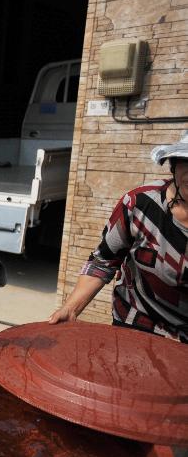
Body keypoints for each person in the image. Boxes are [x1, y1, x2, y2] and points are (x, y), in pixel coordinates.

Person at [49, 132, 188, 342]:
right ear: (174, 165)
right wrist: (71, 308)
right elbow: (103, 261)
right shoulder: (140, 204)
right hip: (136, 326)